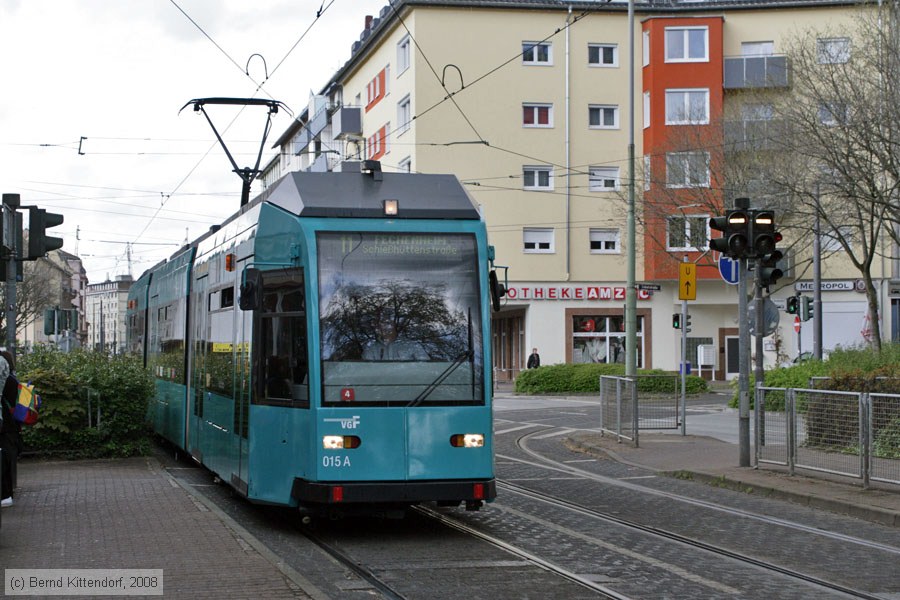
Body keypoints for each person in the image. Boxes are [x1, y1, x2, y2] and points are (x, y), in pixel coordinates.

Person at [0, 350, 20, 508]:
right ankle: (7, 494)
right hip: (9, 424)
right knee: (5, 457)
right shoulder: (12, 380)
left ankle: (5, 494)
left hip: (5, 424)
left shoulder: (7, 381)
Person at [363, 320, 428, 361]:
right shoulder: (371, 349)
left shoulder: (412, 345)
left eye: (388, 323)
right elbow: (368, 371)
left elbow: (425, 368)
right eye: (381, 324)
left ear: (395, 326)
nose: (385, 327)